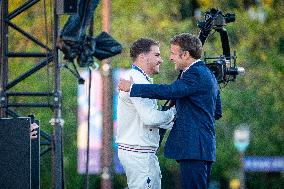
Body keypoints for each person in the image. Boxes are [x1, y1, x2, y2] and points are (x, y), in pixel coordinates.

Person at [118, 33, 222, 189]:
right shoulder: (206, 73)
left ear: (185, 54)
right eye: (158, 55)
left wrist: (133, 88)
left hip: (194, 148)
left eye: (173, 53)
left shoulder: (195, 74)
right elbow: (217, 111)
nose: (169, 58)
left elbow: (171, 90)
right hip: (199, 148)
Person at [116, 38, 176, 189]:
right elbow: (151, 118)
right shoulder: (136, 79)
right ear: (142, 56)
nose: (161, 60)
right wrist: (174, 113)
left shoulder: (141, 79)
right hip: (139, 154)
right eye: (156, 55)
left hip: (140, 153)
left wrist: (166, 118)